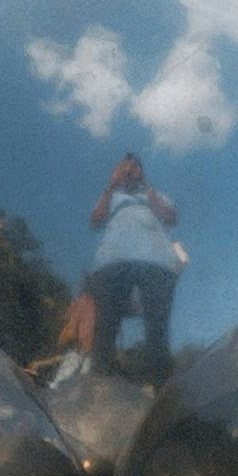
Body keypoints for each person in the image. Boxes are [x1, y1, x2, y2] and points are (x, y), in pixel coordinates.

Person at [83, 151, 182, 385]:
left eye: (135, 167)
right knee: (105, 327)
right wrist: (111, 185)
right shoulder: (111, 196)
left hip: (156, 261)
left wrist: (147, 187)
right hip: (112, 260)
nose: (129, 170)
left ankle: (160, 389)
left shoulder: (155, 195)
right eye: (124, 167)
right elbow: (96, 220)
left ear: (142, 172)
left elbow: (170, 218)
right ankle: (101, 387)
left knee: (157, 331)